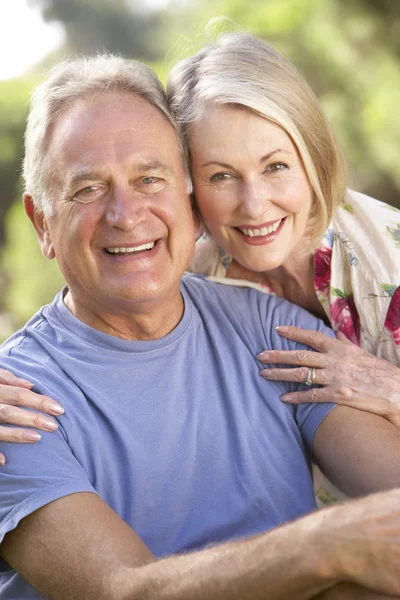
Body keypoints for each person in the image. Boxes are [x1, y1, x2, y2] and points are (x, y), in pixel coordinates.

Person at [1, 54, 400, 600]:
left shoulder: (272, 327)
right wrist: (324, 545)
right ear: (43, 223)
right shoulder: (14, 405)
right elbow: (120, 591)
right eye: (88, 189)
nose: (126, 213)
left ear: (187, 202)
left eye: (150, 178)